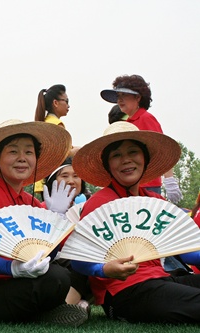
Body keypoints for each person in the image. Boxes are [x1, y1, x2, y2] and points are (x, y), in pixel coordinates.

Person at [0, 119, 89, 326]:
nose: (22, 159)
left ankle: (41, 312)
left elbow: (46, 255)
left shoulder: (31, 203)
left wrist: (57, 220)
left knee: (61, 274)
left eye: (28, 152)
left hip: (15, 285)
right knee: (55, 278)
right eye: (13, 152)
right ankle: (44, 314)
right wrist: (12, 269)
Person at [70, 121, 200, 324]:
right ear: (108, 165)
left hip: (162, 278)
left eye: (133, 152)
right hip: (124, 291)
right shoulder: (99, 204)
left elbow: (184, 248)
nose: (126, 160)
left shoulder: (157, 202)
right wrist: (103, 270)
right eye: (116, 155)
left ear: (145, 159)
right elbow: (77, 258)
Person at [100, 74, 182, 204]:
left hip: (147, 184)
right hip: (130, 182)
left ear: (137, 97)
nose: (120, 100)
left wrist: (169, 180)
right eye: (118, 96)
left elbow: (162, 148)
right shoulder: (128, 122)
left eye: (124, 95)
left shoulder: (145, 118)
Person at [43, 157, 92, 307]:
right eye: (64, 176)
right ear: (53, 181)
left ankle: (71, 305)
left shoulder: (90, 208)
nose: (71, 181)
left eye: (76, 176)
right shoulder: (42, 208)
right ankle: (73, 305)